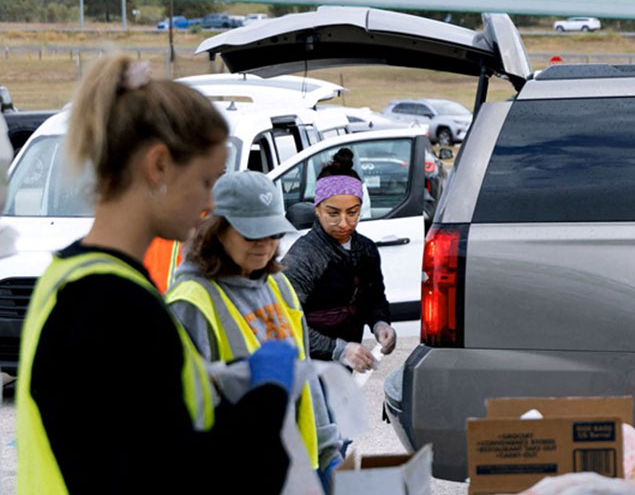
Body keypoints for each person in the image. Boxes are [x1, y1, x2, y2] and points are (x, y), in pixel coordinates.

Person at [15, 56, 295, 494]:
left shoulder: (69, 277)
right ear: (159, 165)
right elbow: (173, 478)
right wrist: (269, 398)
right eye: (206, 180)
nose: (210, 205)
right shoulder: (115, 305)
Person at [167, 170, 344, 490]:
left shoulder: (278, 285)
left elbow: (306, 381)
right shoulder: (191, 303)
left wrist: (330, 453)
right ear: (218, 231)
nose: (266, 245)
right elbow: (184, 422)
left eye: (273, 233)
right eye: (252, 234)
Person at [283, 148, 396, 373]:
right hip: (307, 369)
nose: (344, 223)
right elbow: (287, 323)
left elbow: (374, 297)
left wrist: (380, 323)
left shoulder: (366, 250)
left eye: (352, 213)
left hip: (344, 369)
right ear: (317, 210)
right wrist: (337, 349)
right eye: (333, 214)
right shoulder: (304, 257)